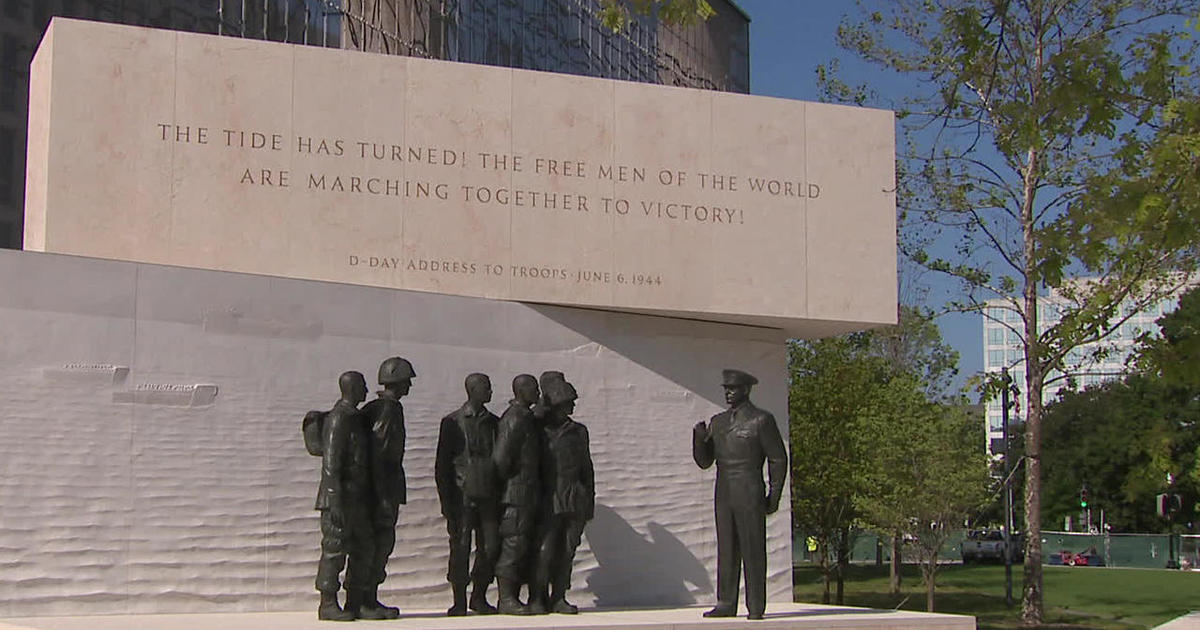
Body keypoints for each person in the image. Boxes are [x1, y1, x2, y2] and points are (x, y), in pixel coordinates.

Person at [692, 369, 787, 621]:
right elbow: (705, 462)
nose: (727, 392)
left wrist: (773, 495)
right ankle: (726, 602)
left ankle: (755, 605)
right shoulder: (719, 422)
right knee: (727, 548)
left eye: (732, 388)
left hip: (749, 487)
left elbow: (778, 459)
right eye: (725, 388)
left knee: (753, 548)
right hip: (723, 490)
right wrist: (699, 440)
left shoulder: (761, 420)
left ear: (746, 390)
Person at [436, 373, 502, 615]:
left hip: (489, 495)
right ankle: (459, 600)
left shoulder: (495, 423)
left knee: (491, 546)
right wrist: (446, 501)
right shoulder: (452, 422)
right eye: (486, 388)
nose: (490, 392)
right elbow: (442, 466)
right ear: (473, 390)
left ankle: (479, 596)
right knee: (460, 548)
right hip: (461, 496)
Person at [529, 377, 594, 615]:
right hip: (549, 497)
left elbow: (587, 469)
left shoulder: (579, 431)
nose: (573, 408)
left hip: (575, 497)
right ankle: (537, 596)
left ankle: (559, 596)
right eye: (568, 403)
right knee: (544, 550)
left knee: (567, 551)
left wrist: (589, 503)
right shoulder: (539, 430)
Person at [356, 356, 415, 619]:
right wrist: (381, 495)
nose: (409, 387)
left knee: (375, 543)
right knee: (379, 543)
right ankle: (365, 600)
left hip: (378, 488)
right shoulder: (389, 410)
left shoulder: (375, 408)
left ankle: (366, 598)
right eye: (407, 381)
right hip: (382, 489)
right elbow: (381, 454)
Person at [313, 371, 374, 621]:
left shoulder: (354, 418)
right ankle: (327, 603)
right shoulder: (339, 418)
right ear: (352, 389)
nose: (367, 390)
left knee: (363, 547)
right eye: (363, 386)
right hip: (339, 497)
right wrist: (333, 497)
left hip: (357, 496)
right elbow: (331, 461)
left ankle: (355, 601)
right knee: (334, 549)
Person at [492, 374, 543, 615]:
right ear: (521, 391)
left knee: (523, 544)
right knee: (514, 543)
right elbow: (500, 460)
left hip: (528, 492)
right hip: (517, 493)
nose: (538, 394)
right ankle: (506, 598)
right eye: (534, 389)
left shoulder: (527, 418)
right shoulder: (514, 419)